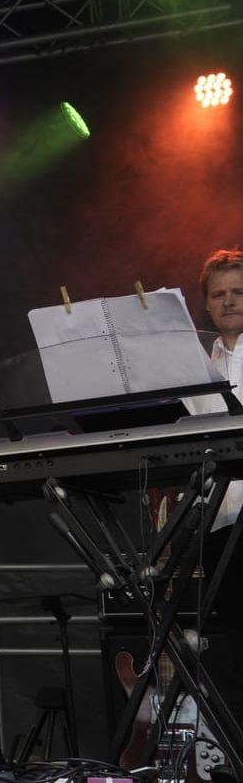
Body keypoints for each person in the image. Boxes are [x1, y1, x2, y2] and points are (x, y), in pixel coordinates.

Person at [180, 248, 243, 757]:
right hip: (220, 520)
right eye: (219, 295)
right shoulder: (202, 362)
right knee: (222, 649)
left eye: (238, 293)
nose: (229, 302)